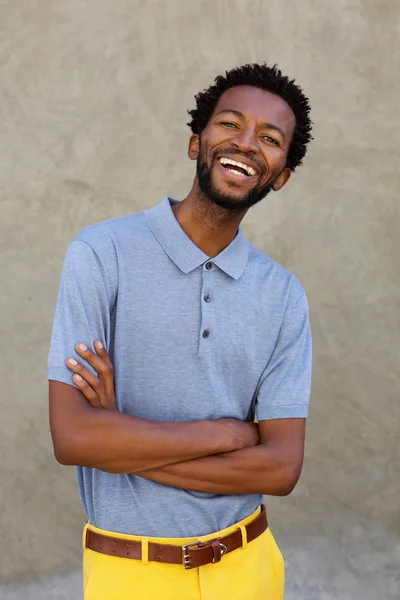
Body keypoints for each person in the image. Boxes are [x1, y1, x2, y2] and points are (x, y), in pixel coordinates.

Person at [48, 63, 313, 600]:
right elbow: (73, 437)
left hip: (249, 566)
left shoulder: (283, 296)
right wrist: (226, 435)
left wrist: (121, 439)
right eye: (229, 124)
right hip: (130, 571)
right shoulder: (101, 255)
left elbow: (281, 468)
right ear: (197, 142)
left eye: (269, 138)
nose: (246, 143)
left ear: (280, 174)